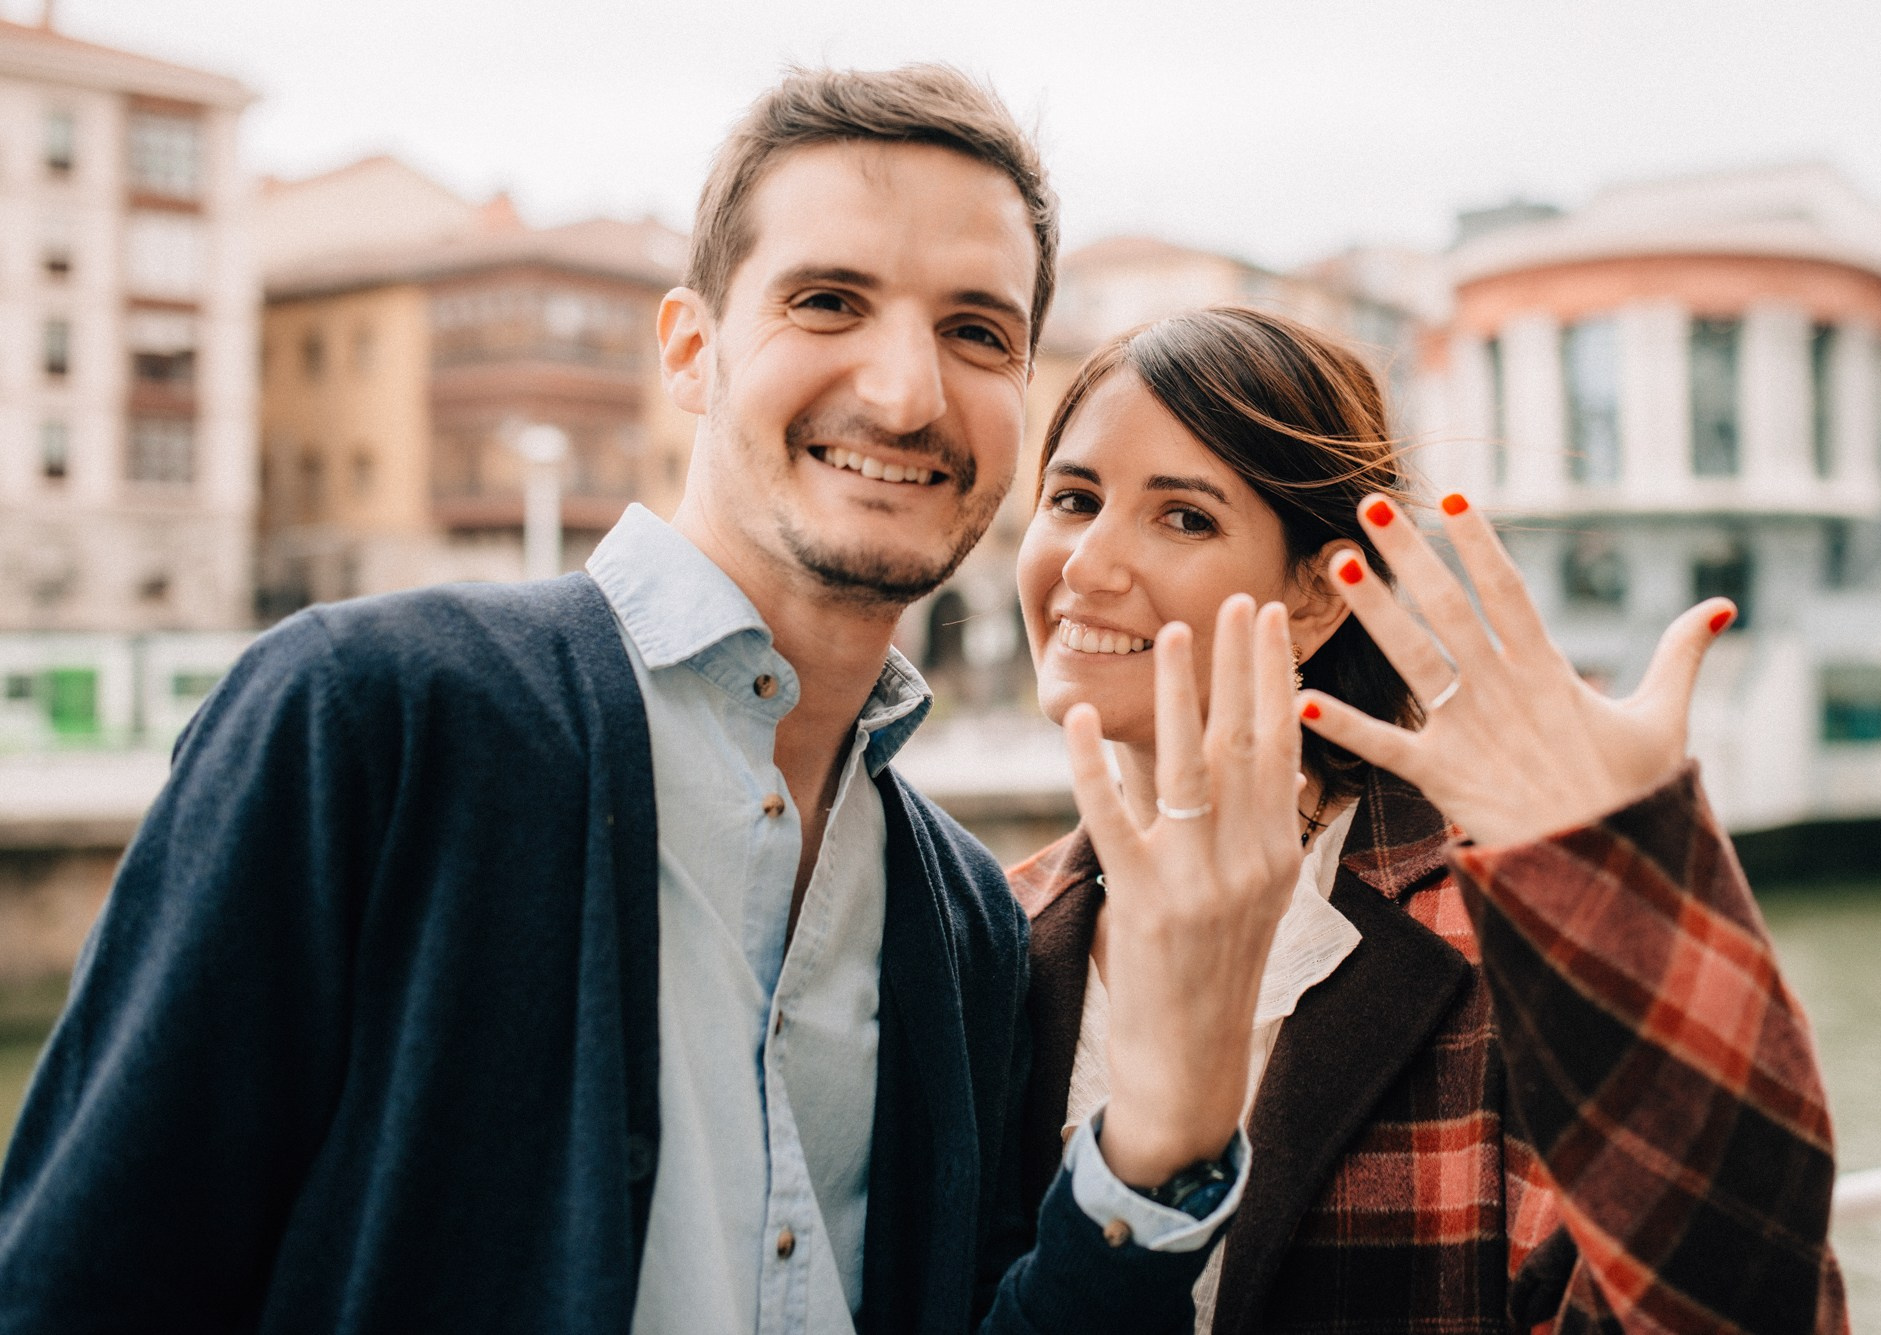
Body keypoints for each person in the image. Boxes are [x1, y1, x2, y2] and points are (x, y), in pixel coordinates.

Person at [0, 70, 1305, 1335]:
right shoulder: (373, 717)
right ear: (691, 348)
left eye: (977, 331)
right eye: (830, 300)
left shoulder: (962, 915)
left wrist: (1166, 1140)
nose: (907, 393)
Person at [1008, 306, 1849, 1334]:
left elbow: (1731, 1303)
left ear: (1318, 603)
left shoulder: (1495, 931)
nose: (1087, 563)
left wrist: (1630, 879)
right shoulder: (990, 928)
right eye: (1071, 497)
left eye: (1183, 516)